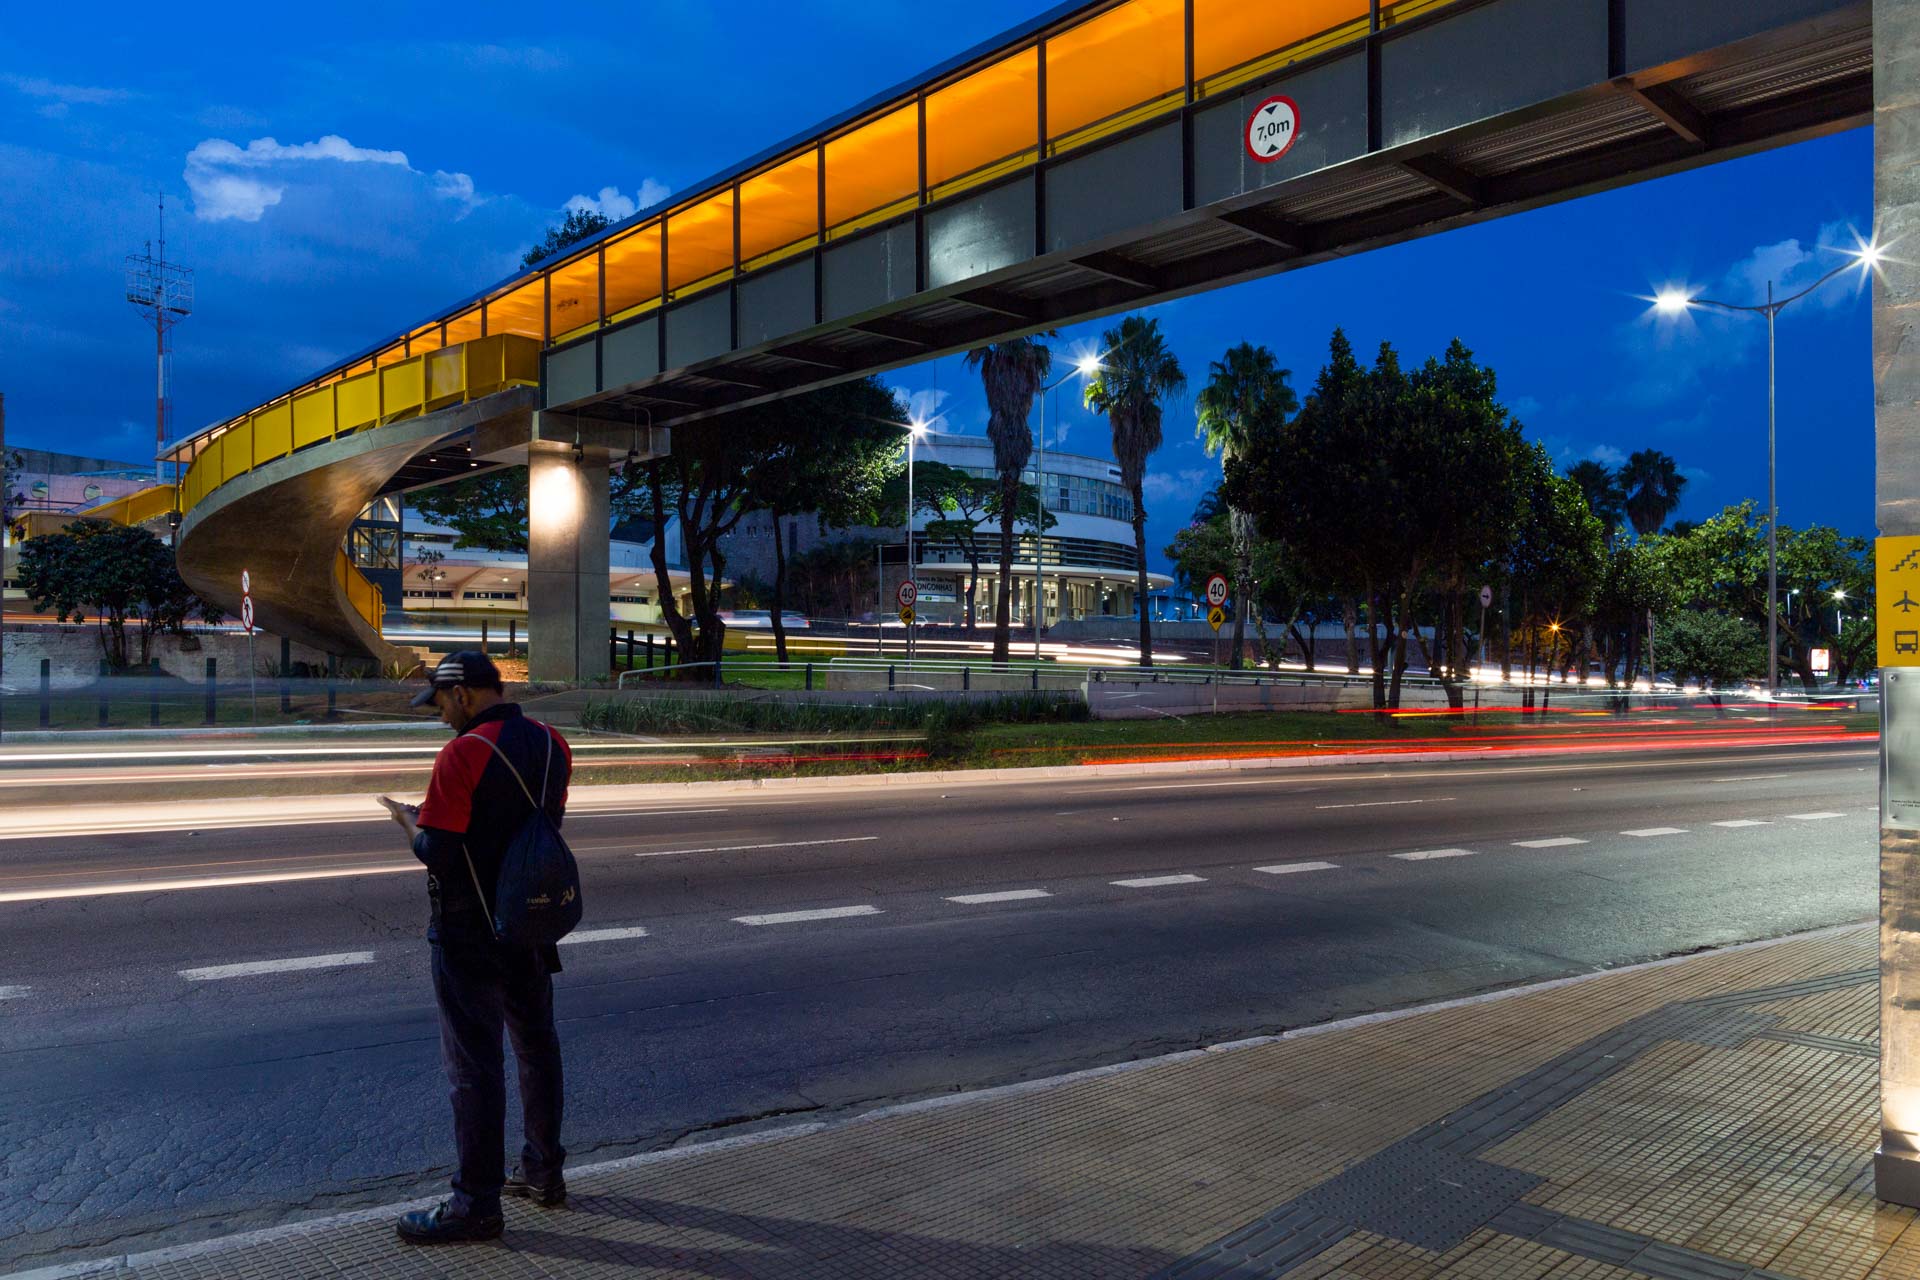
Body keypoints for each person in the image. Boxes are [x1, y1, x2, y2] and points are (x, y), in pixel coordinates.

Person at [379, 651, 573, 1244]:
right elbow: (545, 824)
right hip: (529, 921)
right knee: (536, 1047)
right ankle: (543, 1172)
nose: (438, 716)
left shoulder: (463, 753)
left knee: (474, 1068)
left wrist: (409, 823)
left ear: (462, 694)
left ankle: (476, 1205)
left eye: (439, 703)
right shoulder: (552, 742)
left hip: (468, 930)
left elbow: (437, 849)